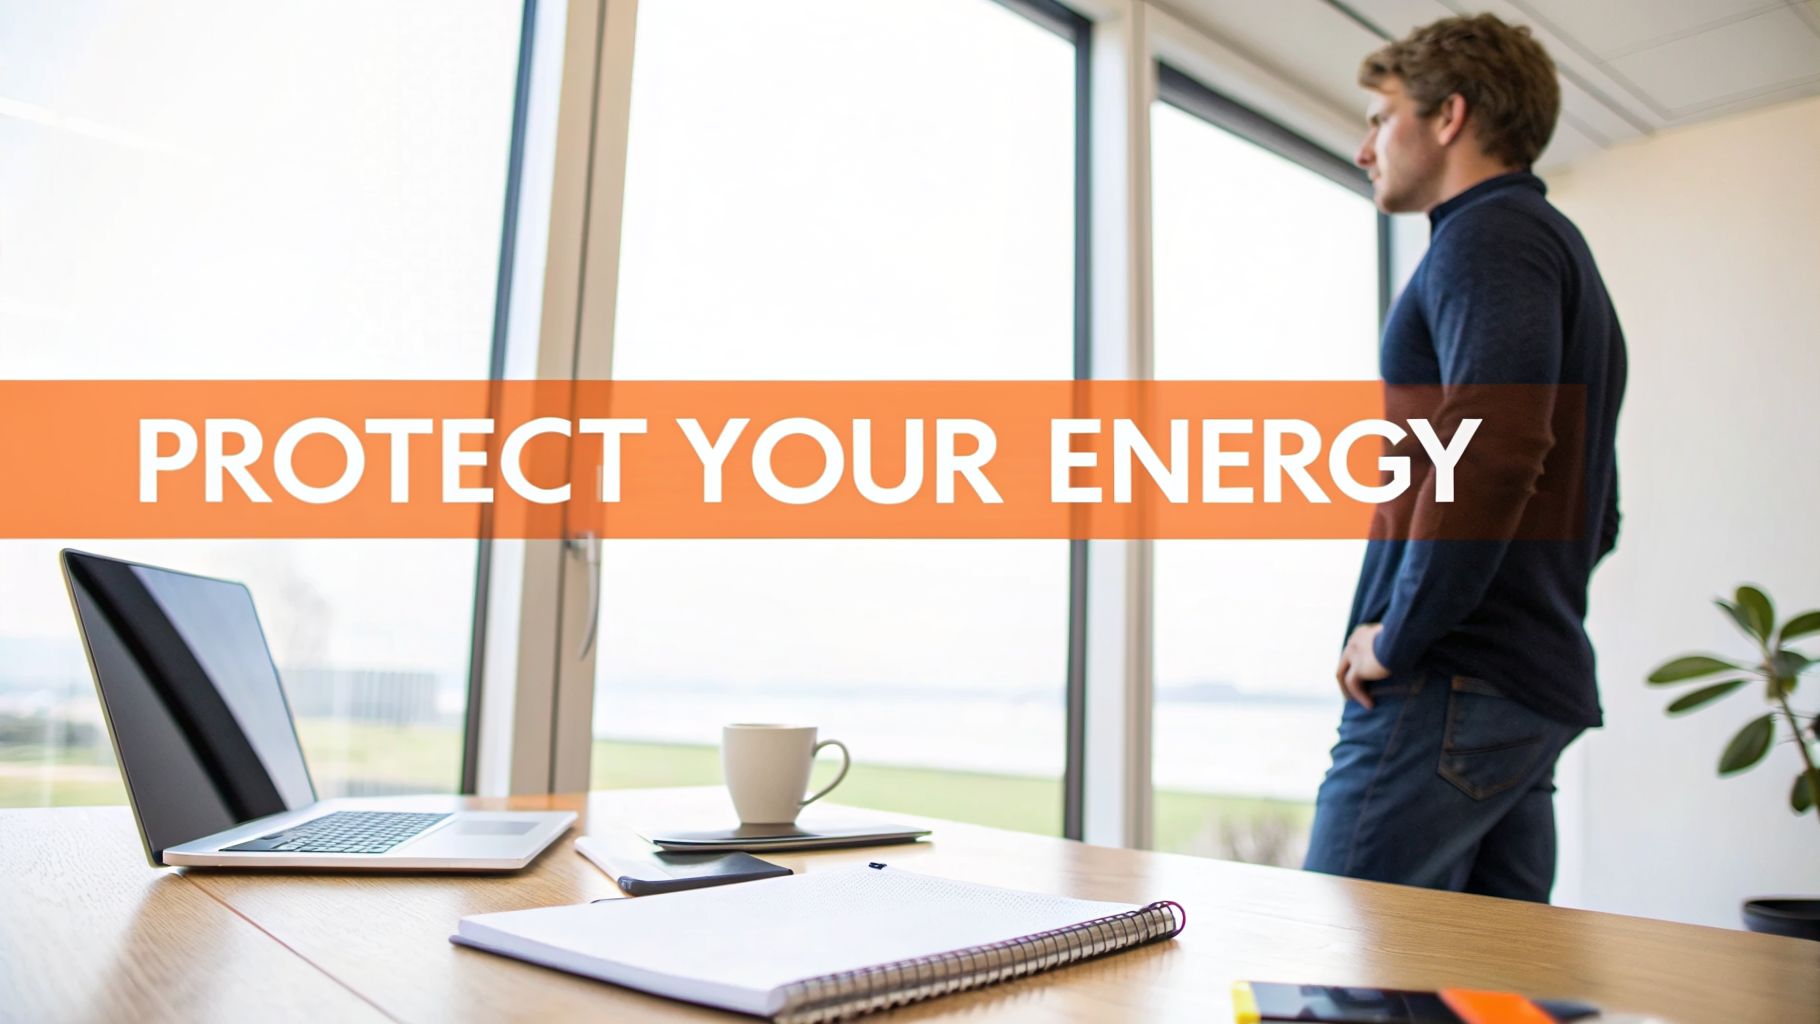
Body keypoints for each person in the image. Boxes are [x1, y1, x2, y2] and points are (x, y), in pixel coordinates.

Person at [1302, 13, 1626, 903]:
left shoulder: (1489, 238)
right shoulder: (1549, 249)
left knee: (1331, 956)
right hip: (1513, 686)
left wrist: (1401, 634)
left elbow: (1491, 453)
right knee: (1481, 977)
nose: (1365, 148)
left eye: (1381, 118)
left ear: (1449, 115)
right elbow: (1597, 514)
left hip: (1450, 681)